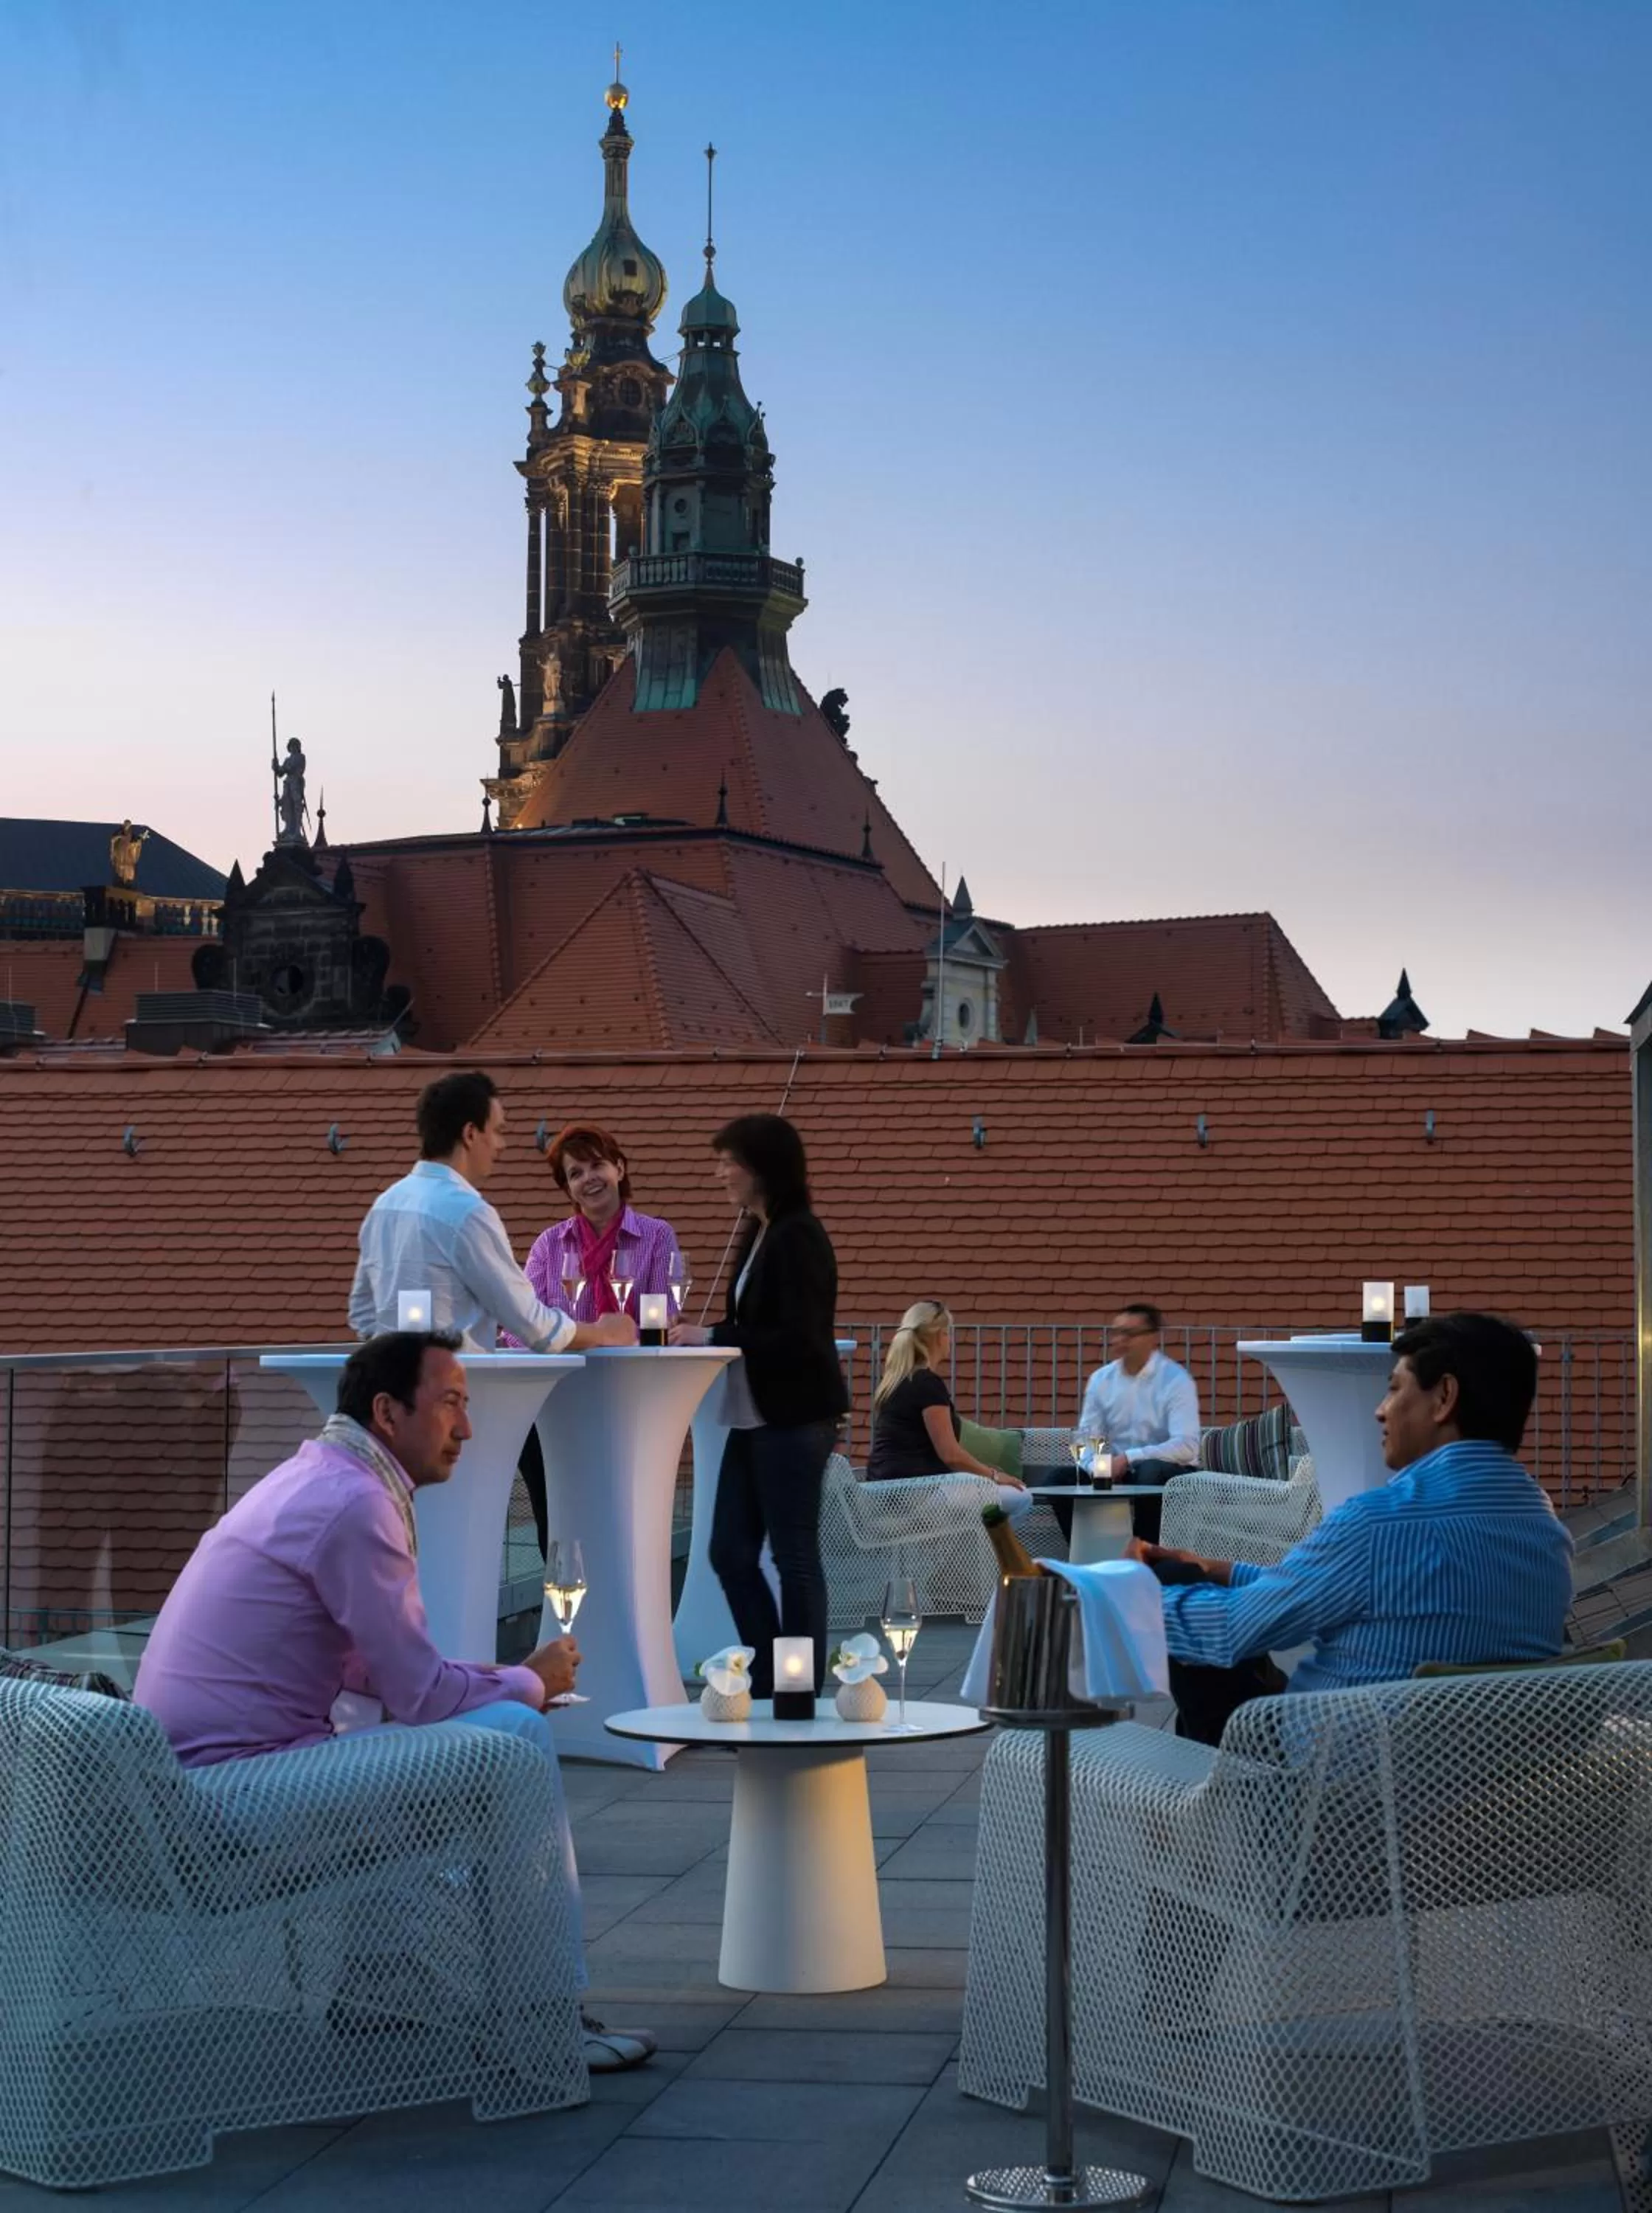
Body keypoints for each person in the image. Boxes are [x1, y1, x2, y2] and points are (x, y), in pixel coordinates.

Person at [133, 1332, 656, 2071]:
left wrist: (504, 1676)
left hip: (194, 1784)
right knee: (510, 1737)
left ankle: (380, 1983)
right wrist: (530, 1683)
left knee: (425, 1732)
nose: (466, 1428)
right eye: (449, 1404)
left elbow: (384, 1679)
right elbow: (419, 1695)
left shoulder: (316, 1477)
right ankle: (545, 2018)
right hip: (228, 1794)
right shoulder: (354, 1504)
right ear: (386, 1411)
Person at [1133, 1311, 1573, 1746]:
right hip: (1481, 1790)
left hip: (1334, 1787)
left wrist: (1120, 1595)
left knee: (1167, 1584)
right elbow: (1371, 1593)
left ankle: (1219, 1805)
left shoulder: (1378, 1523)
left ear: (1444, 1397)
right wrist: (1220, 1570)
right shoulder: (1543, 1526)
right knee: (1196, 1583)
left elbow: (1229, 1631)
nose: (1380, 1411)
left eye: (1394, 1389)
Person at [670, 1113, 847, 1697]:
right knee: (729, 1552)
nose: (720, 1172)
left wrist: (713, 1337)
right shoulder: (761, 1231)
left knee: (794, 1556)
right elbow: (757, 1323)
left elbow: (797, 1337)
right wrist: (709, 1330)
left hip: (793, 1419)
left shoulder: (799, 1235)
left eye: (729, 1162)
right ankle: (775, 1675)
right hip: (756, 1418)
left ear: (762, 1168)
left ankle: (796, 1692)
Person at [348, 1070, 636, 1357]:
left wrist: (399, 1358)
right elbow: (535, 1326)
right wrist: (604, 1332)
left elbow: (362, 1313)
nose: (502, 1145)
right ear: (471, 1134)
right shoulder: (467, 1213)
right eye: (498, 1131)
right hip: (453, 1389)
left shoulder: (384, 1206)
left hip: (388, 1388)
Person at [507, 1121, 683, 1554]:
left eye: (596, 1165)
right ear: (567, 1189)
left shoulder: (657, 1237)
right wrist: (593, 1336)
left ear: (620, 1169)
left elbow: (664, 1324)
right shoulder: (550, 1246)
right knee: (558, 1535)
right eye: (575, 1173)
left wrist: (583, 1335)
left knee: (621, 1533)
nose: (589, 1179)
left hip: (626, 1407)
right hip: (555, 1409)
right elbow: (516, 1329)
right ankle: (567, 1622)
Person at [867, 1300, 1032, 1522]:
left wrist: (982, 1472)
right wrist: (994, 1475)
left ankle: (962, 1554)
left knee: (974, 1498)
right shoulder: (927, 1383)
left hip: (886, 1493)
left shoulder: (894, 1381)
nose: (950, 1340)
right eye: (948, 1334)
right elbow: (951, 1454)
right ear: (939, 1336)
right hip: (920, 1496)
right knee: (1021, 1498)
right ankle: (993, 1557)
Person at [1073, 1301, 1201, 1542]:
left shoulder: (1176, 1380)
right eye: (1116, 1332)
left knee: (1149, 1471)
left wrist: (1128, 1458)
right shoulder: (1101, 1380)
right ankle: (1095, 1552)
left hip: (1171, 1472)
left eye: (1129, 1334)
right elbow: (1086, 1439)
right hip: (1120, 1471)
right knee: (1059, 1479)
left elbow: (1187, 1447)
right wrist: (1097, 1468)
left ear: (1153, 1338)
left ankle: (1144, 1555)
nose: (1119, 1340)